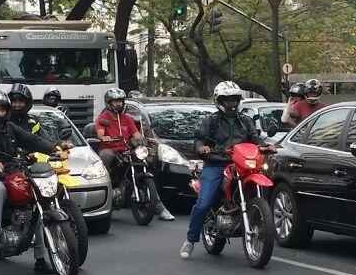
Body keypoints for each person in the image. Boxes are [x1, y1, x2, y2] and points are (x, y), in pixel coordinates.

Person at [0, 91, 61, 273]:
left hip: (12, 173)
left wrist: (54, 148)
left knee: (35, 204)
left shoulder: (10, 127)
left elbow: (31, 139)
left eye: (2, 110)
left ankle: (40, 259)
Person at [180, 81, 264, 259]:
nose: (231, 103)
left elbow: (256, 140)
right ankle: (190, 239)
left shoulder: (246, 121)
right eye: (227, 100)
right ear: (219, 101)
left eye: (234, 99)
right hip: (217, 164)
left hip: (241, 164)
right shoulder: (211, 121)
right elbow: (199, 140)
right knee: (203, 204)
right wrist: (202, 148)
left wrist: (266, 147)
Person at [95, 88, 175, 221]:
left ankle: (160, 208)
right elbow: (100, 134)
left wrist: (142, 140)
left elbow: (136, 134)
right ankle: (104, 186)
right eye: (115, 102)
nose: (119, 104)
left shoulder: (127, 118)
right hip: (110, 150)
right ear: (109, 103)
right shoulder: (103, 119)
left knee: (144, 162)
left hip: (126, 149)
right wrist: (104, 138)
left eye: (120, 101)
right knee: (105, 156)